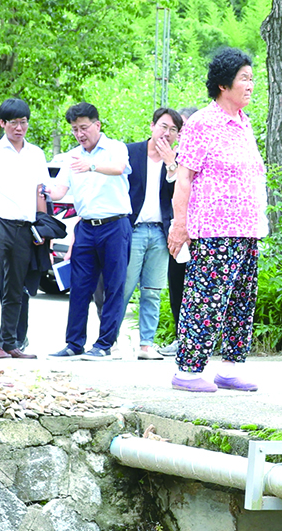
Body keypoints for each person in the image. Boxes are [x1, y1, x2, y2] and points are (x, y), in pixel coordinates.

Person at [167, 48, 269, 393]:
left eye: (252, 78)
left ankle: (230, 368)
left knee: (241, 301)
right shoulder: (202, 123)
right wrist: (180, 224)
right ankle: (187, 371)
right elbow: (184, 178)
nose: (250, 85)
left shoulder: (243, 123)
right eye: (244, 78)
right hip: (214, 229)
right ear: (224, 84)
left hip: (247, 228)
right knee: (205, 299)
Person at [45, 103, 133, 360]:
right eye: (74, 129)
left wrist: (91, 165)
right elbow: (59, 191)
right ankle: (74, 343)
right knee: (79, 286)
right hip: (85, 227)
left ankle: (104, 344)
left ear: (97, 125)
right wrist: (40, 187)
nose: (79, 134)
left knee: (113, 286)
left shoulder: (116, 148)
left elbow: (119, 168)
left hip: (115, 226)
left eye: (83, 127)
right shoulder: (72, 157)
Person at [0, 98, 49, 360]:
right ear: (3, 123)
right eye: (14, 123)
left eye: (23, 122)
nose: (19, 128)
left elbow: (40, 193)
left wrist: (43, 227)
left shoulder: (36, 154)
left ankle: (10, 342)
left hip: (24, 227)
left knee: (17, 288)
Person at [124, 107, 182, 360]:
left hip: (160, 232)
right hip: (133, 229)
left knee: (152, 290)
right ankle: (109, 340)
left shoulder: (178, 160)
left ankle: (146, 344)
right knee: (123, 287)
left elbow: (180, 194)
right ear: (152, 126)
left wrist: (171, 165)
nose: (167, 133)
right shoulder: (130, 152)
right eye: (163, 126)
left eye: (173, 130)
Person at [159, 104, 203, 358]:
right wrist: (170, 164)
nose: (183, 133)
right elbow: (169, 195)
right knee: (177, 285)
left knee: (201, 290)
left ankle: (201, 340)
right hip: (178, 232)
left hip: (203, 232)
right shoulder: (173, 156)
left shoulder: (202, 153)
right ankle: (181, 338)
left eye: (185, 127)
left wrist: (172, 164)